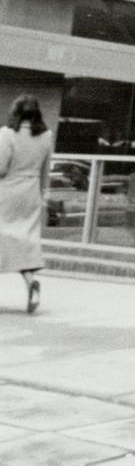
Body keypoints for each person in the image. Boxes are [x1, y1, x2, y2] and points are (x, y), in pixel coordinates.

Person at [0, 94, 54, 314]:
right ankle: (30, 281)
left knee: (3, 237)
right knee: (25, 239)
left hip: (8, 191)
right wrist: (44, 195)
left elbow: (1, 168)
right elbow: (46, 169)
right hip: (31, 192)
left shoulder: (6, 134)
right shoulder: (46, 135)